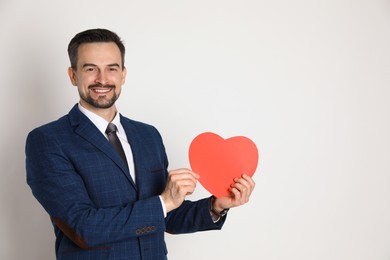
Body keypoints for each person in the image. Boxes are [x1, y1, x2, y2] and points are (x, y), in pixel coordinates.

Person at [25, 28, 255, 260]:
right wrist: (164, 201)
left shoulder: (148, 135)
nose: (102, 79)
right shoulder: (48, 141)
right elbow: (82, 228)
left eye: (111, 68)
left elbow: (166, 215)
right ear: (73, 75)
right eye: (90, 69)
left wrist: (216, 206)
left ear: (123, 74)